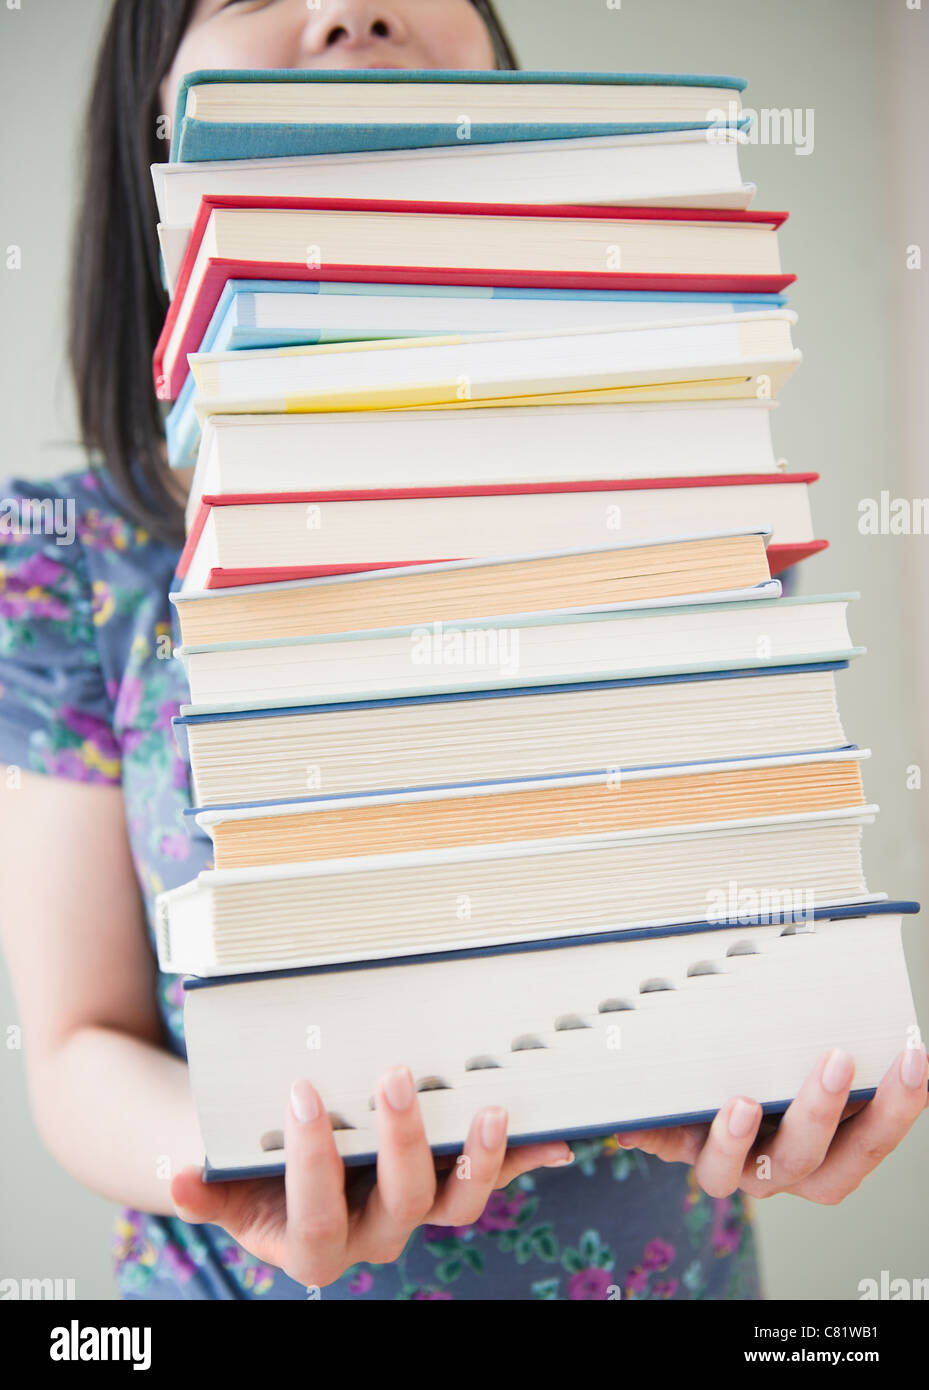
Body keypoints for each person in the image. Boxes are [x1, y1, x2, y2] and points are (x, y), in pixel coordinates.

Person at [0, 0, 924, 1302]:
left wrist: (801, 1060)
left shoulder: (683, 463)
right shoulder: (67, 552)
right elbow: (78, 1039)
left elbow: (743, 873)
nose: (348, 7)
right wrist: (241, 1171)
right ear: (151, 109)